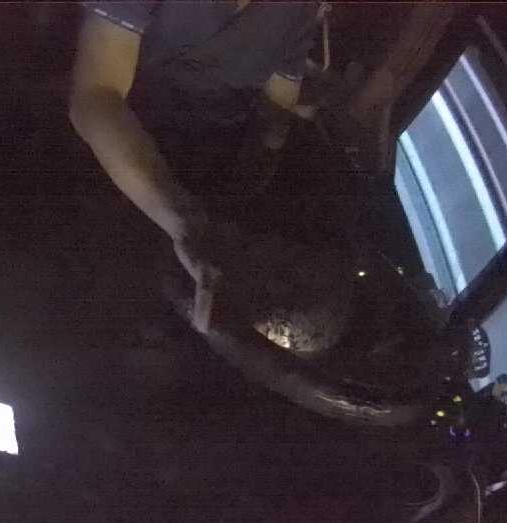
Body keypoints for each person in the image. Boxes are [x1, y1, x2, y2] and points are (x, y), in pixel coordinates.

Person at [69, 0, 324, 331]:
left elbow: (274, 118)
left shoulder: (300, 9)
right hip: (122, 164)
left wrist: (251, 206)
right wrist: (183, 220)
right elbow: (96, 97)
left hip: (214, 178)